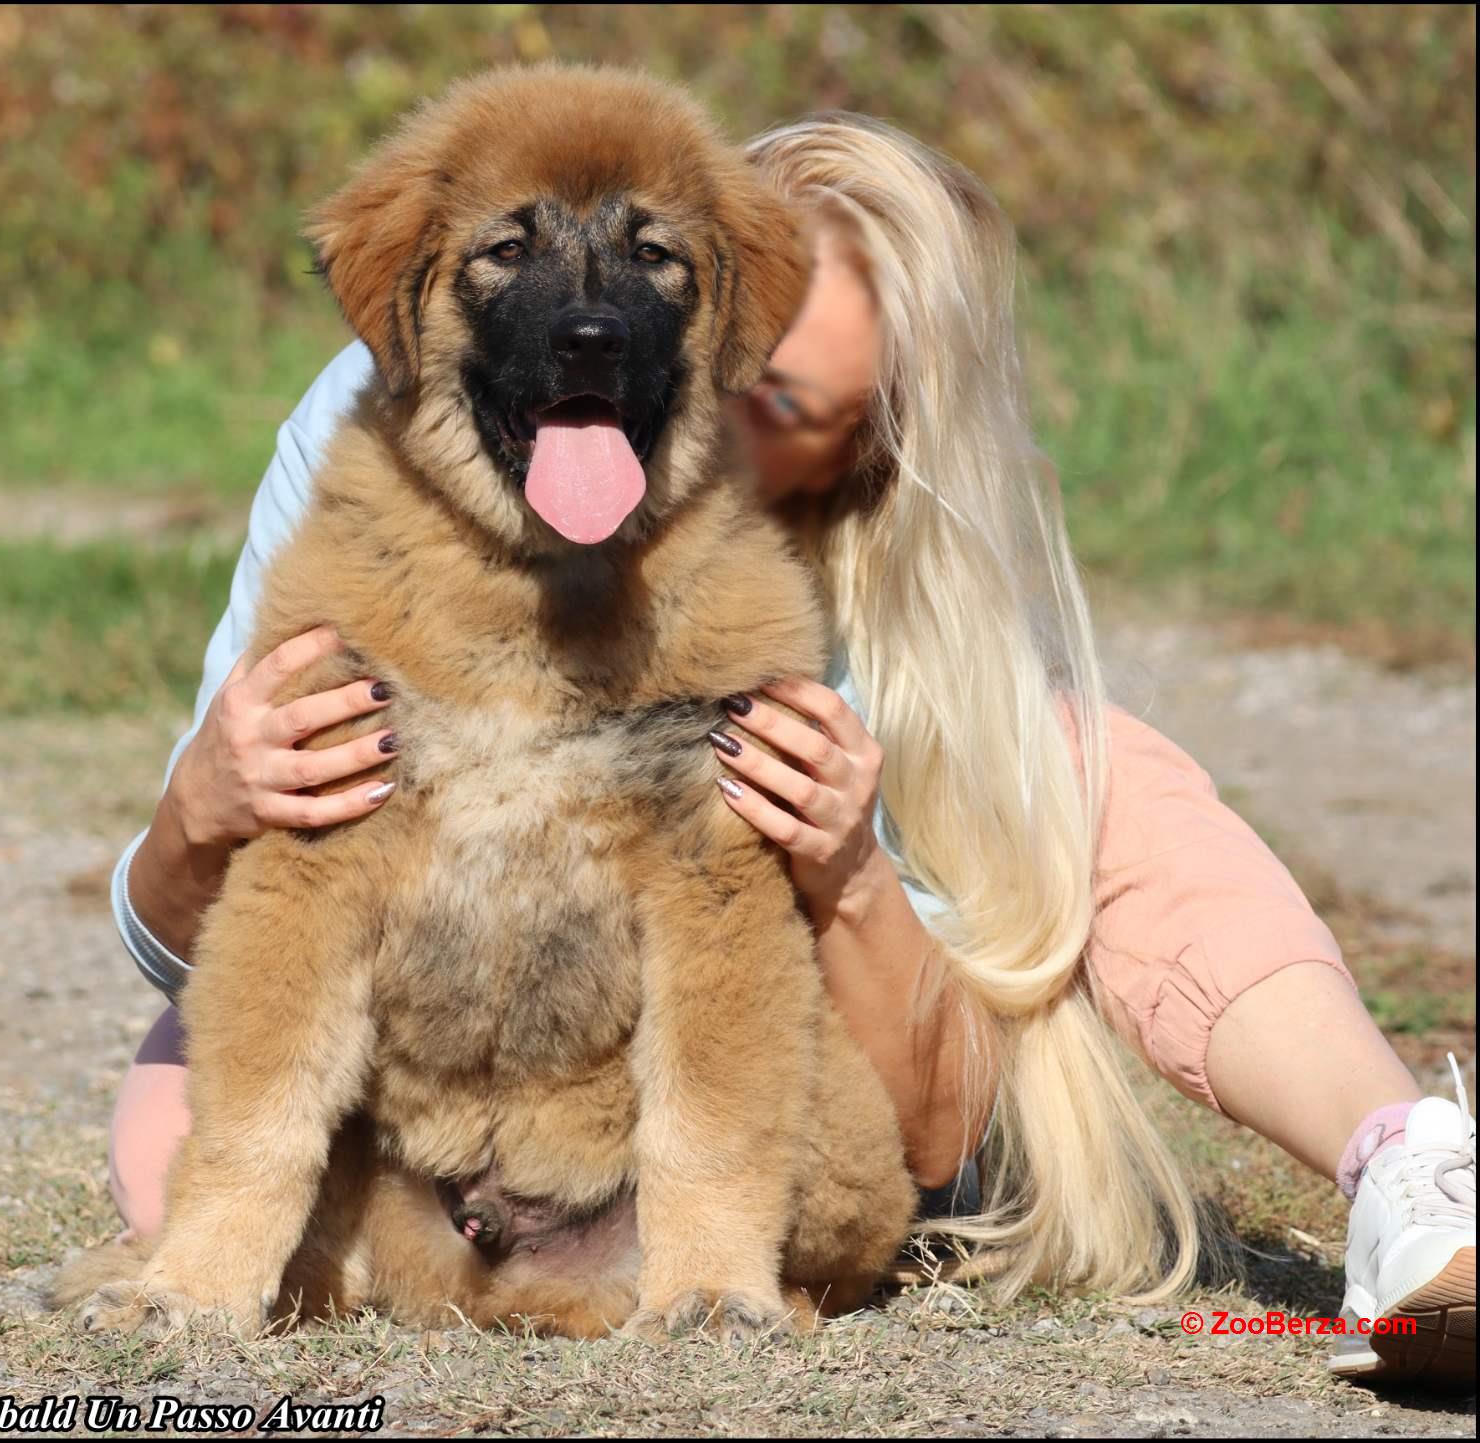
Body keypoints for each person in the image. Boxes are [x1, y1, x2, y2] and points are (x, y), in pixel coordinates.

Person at [106, 112, 1474, 1382]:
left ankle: (1410, 1170)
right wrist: (200, 814)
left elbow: (917, 1131)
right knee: (169, 1154)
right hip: (413, 1058)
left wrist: (847, 878)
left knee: (1111, 777)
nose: (605, 345)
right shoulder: (395, 418)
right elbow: (198, 928)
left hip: (728, 1086)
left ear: (866, 448)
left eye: (784, 403)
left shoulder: (869, 617)